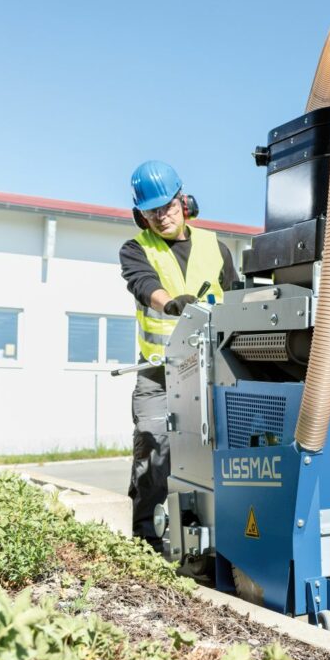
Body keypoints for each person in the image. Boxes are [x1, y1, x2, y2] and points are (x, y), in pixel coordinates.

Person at [120, 160, 238, 552]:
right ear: (141, 214)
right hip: (157, 372)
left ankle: (214, 533)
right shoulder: (137, 249)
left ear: (184, 202)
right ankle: (147, 538)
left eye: (167, 207)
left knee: (215, 449)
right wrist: (170, 304)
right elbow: (142, 284)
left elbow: (236, 298)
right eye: (151, 211)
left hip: (209, 369)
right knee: (155, 446)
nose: (161, 216)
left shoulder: (215, 246)